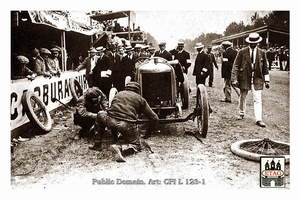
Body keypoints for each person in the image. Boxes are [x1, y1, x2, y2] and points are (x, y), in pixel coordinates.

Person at [90, 81, 159, 162]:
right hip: (126, 125)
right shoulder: (140, 99)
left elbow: (112, 109)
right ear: (138, 91)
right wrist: (149, 132)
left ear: (126, 88)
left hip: (110, 120)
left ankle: (97, 144)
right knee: (136, 145)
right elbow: (155, 118)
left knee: (100, 114)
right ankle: (120, 148)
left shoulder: (119, 94)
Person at [231, 32, 270, 127]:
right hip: (244, 77)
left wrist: (267, 80)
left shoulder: (262, 53)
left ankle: (259, 119)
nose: (253, 45)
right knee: (242, 96)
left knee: (257, 99)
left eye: (255, 43)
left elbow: (265, 68)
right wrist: (234, 78)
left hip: (257, 78)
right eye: (251, 43)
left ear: (258, 43)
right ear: (249, 43)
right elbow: (235, 66)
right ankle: (241, 112)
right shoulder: (242, 52)